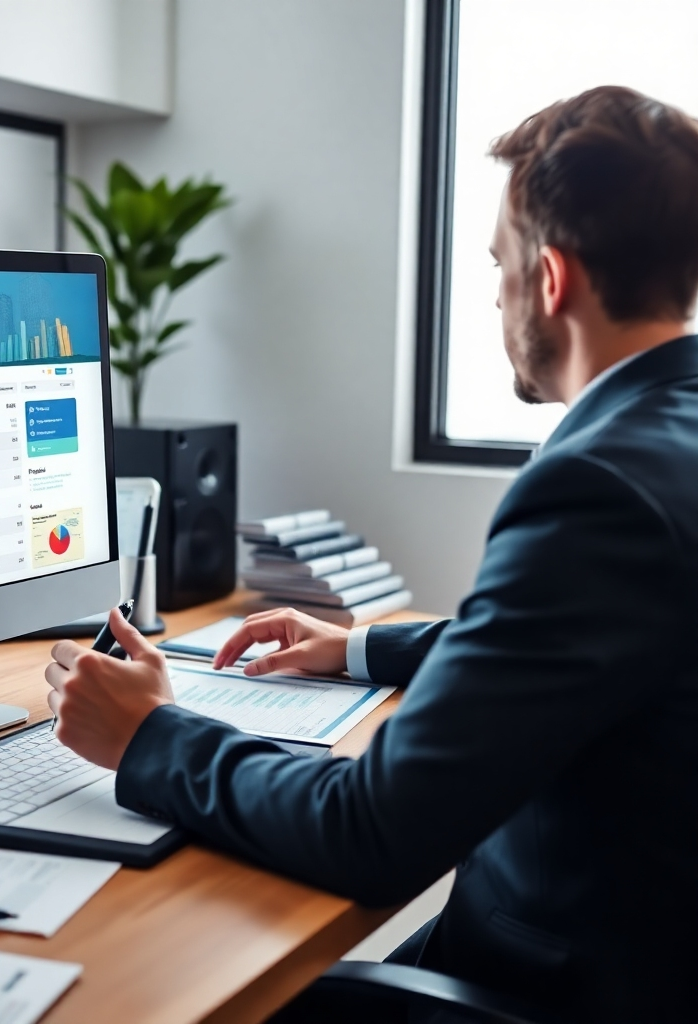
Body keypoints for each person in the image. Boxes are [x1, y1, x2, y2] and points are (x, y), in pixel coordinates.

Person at [44, 86, 698, 1023]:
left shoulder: (600, 486)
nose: (497, 293)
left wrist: (150, 736)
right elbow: (603, 642)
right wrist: (353, 648)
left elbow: (372, 831)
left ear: (551, 280)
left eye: (500, 266)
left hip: (573, 985)